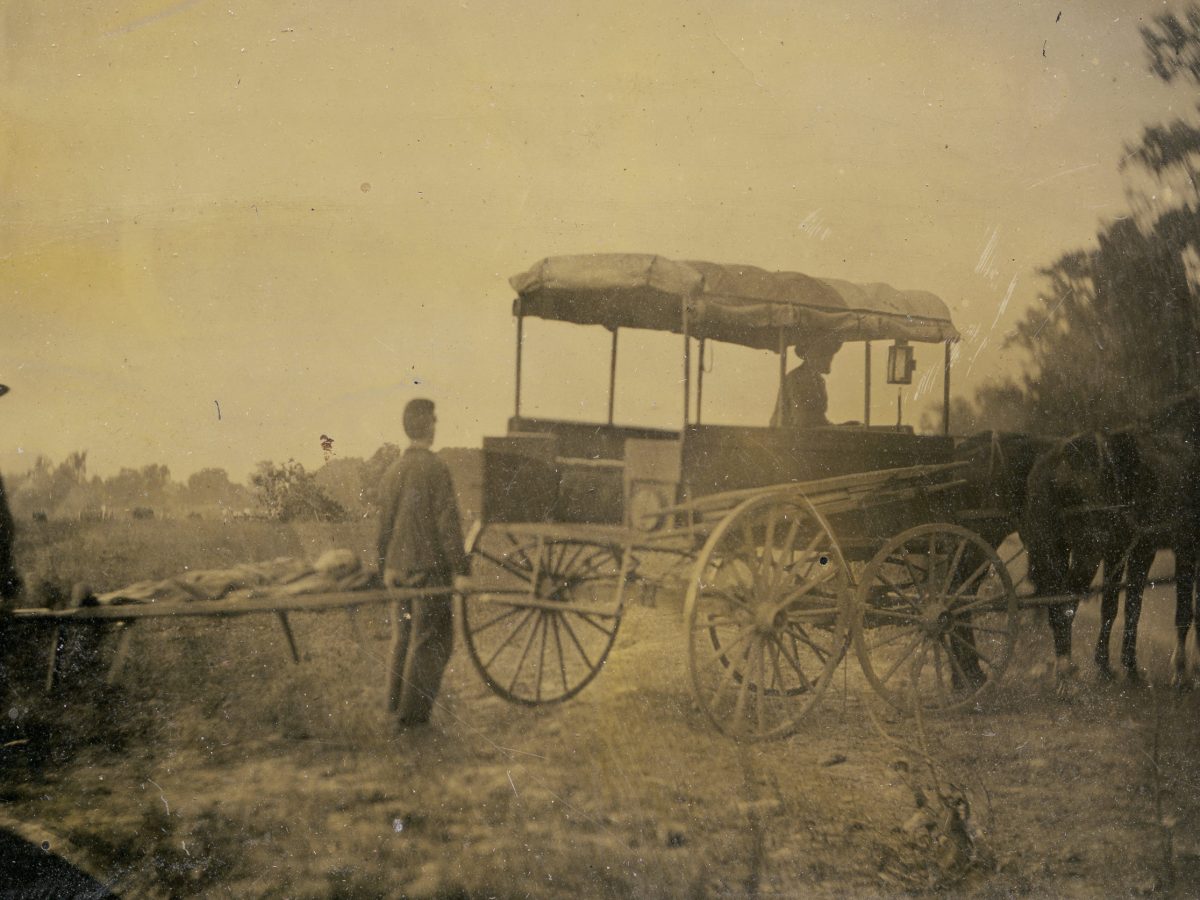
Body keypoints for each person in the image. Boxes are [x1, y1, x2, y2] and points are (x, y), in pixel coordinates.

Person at [377, 398, 468, 728]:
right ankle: (412, 719)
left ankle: (392, 708)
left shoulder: (392, 470)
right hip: (429, 570)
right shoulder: (435, 468)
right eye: (434, 420)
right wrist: (460, 570)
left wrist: (384, 567)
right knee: (433, 640)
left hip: (398, 570)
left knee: (402, 637)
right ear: (427, 426)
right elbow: (447, 523)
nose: (435, 425)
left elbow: (383, 525)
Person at [771, 340, 841, 429]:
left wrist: (840, 426)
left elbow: (819, 418)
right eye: (824, 353)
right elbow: (802, 420)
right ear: (810, 356)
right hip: (787, 435)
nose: (830, 358)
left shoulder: (819, 380)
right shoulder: (796, 378)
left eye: (830, 353)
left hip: (806, 434)